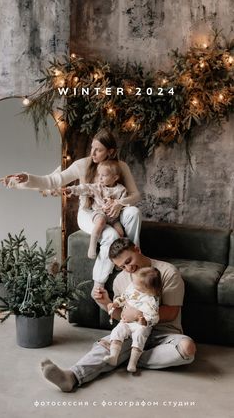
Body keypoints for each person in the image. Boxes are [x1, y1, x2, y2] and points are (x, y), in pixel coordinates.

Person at [40, 238, 196, 392]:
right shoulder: (120, 280)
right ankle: (71, 376)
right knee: (113, 341)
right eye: (122, 266)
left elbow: (171, 312)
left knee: (187, 348)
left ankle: (127, 357)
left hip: (165, 334)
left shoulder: (168, 272)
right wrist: (106, 303)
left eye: (129, 261)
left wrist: (139, 314)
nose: (128, 268)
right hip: (132, 331)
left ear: (137, 249)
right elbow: (122, 317)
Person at [0, 129, 141, 295]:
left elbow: (136, 195)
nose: (93, 153)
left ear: (110, 152)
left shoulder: (120, 167)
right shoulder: (82, 165)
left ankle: (133, 257)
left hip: (112, 212)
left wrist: (119, 203)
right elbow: (52, 181)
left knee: (134, 212)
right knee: (110, 235)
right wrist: (27, 178)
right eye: (92, 147)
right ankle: (99, 284)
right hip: (89, 213)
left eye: (98, 150)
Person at [63, 159, 128, 259]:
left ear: (115, 177)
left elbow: (124, 203)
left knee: (120, 233)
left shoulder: (121, 189)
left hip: (113, 218)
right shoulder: (97, 187)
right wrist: (71, 189)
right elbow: (84, 188)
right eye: (99, 175)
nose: (100, 178)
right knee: (101, 222)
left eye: (104, 175)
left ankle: (119, 257)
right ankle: (92, 244)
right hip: (99, 213)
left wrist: (117, 203)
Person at [104, 266, 161, 372]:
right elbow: (124, 297)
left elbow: (155, 316)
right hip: (126, 322)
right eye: (134, 282)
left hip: (140, 325)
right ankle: (113, 356)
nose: (134, 286)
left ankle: (132, 362)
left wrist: (145, 321)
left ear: (147, 289)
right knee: (117, 331)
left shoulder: (151, 300)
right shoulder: (132, 287)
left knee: (139, 336)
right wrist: (116, 303)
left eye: (137, 286)